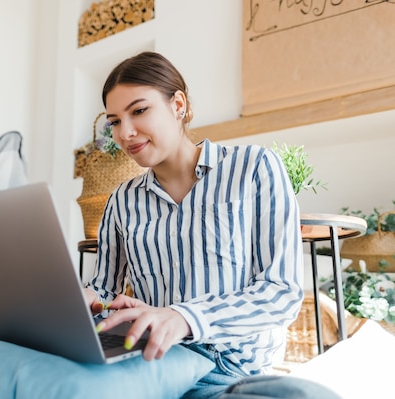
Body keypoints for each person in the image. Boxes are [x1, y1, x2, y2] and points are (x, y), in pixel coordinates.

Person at [82, 51, 340, 399]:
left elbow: (280, 292)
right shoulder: (121, 201)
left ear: (178, 105)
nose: (125, 133)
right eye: (114, 121)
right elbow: (105, 290)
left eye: (139, 111)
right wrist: (83, 300)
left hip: (232, 372)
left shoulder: (255, 169)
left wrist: (183, 318)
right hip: (151, 366)